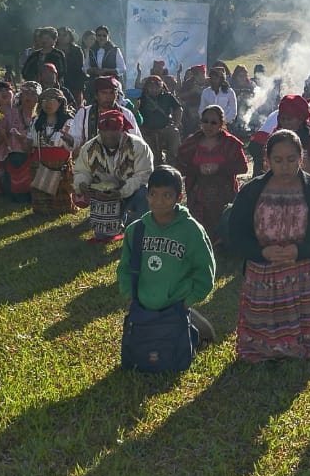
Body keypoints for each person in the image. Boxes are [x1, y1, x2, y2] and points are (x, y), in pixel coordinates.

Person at [227, 130, 310, 361]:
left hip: (306, 274)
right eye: (278, 160)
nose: (285, 166)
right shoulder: (252, 192)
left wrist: (300, 251)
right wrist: (261, 252)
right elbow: (235, 233)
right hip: (263, 273)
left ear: (301, 158)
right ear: (267, 160)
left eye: (291, 160)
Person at [117, 165, 218, 353]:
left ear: (179, 198)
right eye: (153, 194)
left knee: (182, 349)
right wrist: (130, 295)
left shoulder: (191, 230)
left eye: (167, 195)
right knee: (142, 353)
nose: (159, 201)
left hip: (177, 304)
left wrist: (189, 300)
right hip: (142, 305)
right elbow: (125, 267)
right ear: (147, 195)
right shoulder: (136, 230)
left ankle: (192, 324)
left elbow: (205, 270)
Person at [73, 109, 154, 239]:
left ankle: (138, 227)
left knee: (144, 193)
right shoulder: (89, 148)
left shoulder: (138, 146)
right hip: (103, 197)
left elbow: (144, 176)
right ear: (99, 131)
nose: (110, 135)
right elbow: (82, 171)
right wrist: (82, 183)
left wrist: (121, 192)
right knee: (102, 236)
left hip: (132, 193)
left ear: (122, 130)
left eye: (114, 130)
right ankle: (117, 224)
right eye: (105, 131)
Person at [177, 103, 247, 243]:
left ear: (221, 124)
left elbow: (243, 167)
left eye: (213, 122)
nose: (208, 125)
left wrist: (219, 168)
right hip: (198, 193)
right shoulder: (191, 143)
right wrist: (198, 169)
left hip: (224, 191)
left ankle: (223, 240)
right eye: (205, 121)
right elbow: (180, 167)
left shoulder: (230, 143)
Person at [28, 87, 76, 214]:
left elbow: (73, 145)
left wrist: (69, 140)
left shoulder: (68, 121)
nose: (47, 103)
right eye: (44, 100)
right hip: (39, 162)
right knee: (41, 202)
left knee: (62, 205)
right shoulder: (36, 121)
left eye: (51, 100)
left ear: (60, 102)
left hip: (60, 163)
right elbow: (30, 140)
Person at [68, 76, 140, 152]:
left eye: (112, 92)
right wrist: (71, 141)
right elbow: (76, 140)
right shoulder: (84, 113)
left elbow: (137, 141)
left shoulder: (126, 114)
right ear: (96, 95)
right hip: (90, 161)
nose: (108, 97)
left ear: (116, 95)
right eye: (104, 93)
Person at [0, 81, 39, 202]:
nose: (29, 97)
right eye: (26, 94)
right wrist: (7, 139)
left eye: (33, 94)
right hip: (15, 151)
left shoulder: (40, 115)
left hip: (34, 151)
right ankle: (16, 192)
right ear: (21, 96)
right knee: (16, 159)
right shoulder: (12, 112)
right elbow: (2, 128)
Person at [136, 75, 183, 166]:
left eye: (157, 86)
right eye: (151, 87)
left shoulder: (168, 96)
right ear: (147, 87)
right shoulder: (142, 98)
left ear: (161, 86)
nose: (154, 89)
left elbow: (178, 109)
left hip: (165, 129)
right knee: (150, 152)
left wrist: (176, 124)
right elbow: (135, 113)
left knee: (174, 133)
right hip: (147, 130)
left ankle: (173, 161)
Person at [55, 28, 86, 104]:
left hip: (74, 83)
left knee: (76, 106)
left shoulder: (76, 50)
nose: (62, 37)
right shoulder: (53, 50)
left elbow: (80, 67)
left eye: (65, 35)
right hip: (57, 83)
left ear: (70, 36)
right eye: (59, 35)